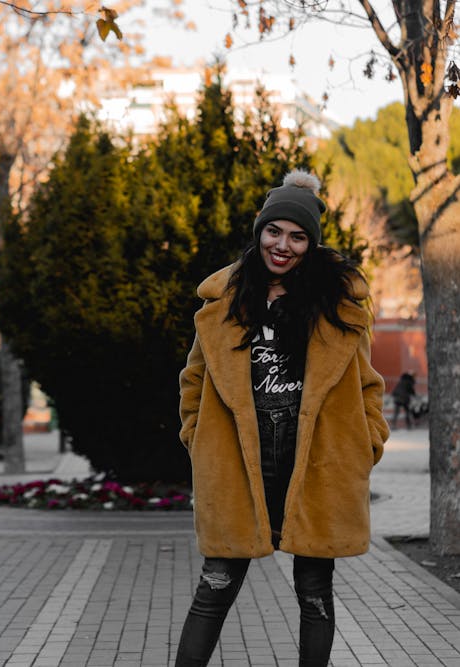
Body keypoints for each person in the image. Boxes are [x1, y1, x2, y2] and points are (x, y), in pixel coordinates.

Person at [176, 169, 390, 667]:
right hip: (238, 460)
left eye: (298, 237)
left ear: (311, 244)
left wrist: (366, 444)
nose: (283, 245)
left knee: (314, 592)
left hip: (315, 461)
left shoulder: (337, 307)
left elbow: (367, 386)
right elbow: (193, 381)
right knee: (215, 586)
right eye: (275, 231)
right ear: (259, 230)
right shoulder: (224, 303)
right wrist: (198, 440)